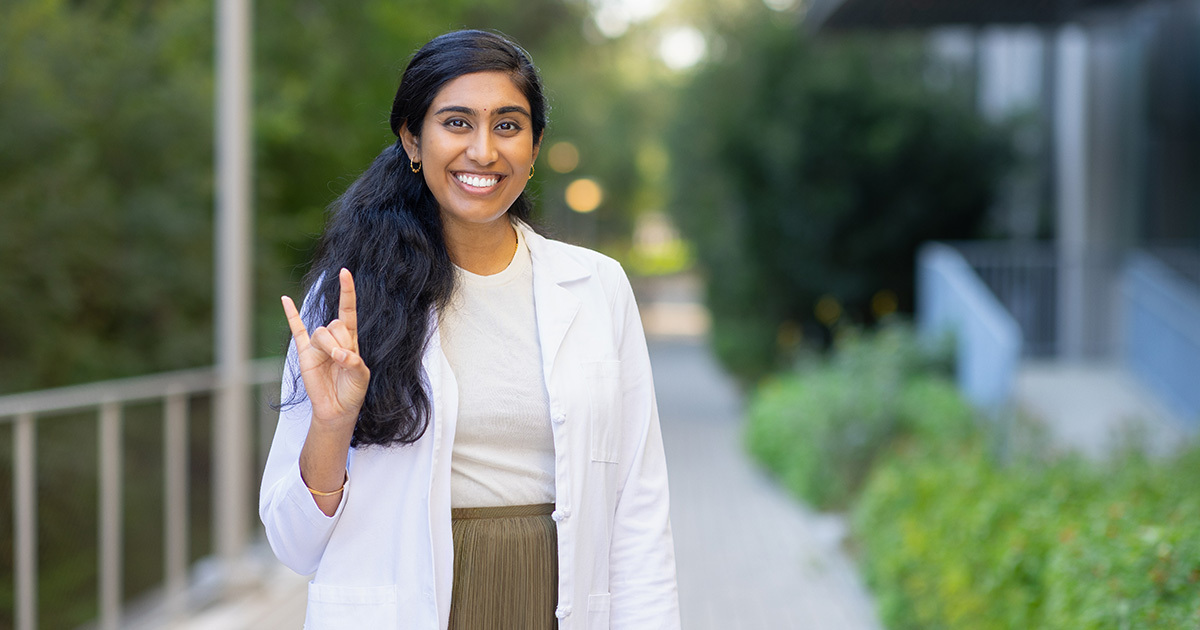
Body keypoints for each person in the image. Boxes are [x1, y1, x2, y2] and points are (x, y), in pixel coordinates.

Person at [259, 30, 680, 630]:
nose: (483, 151)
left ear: (534, 147)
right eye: (457, 123)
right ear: (412, 139)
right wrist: (331, 424)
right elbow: (291, 543)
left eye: (507, 126)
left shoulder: (598, 288)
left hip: (555, 603)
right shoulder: (350, 298)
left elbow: (638, 506)